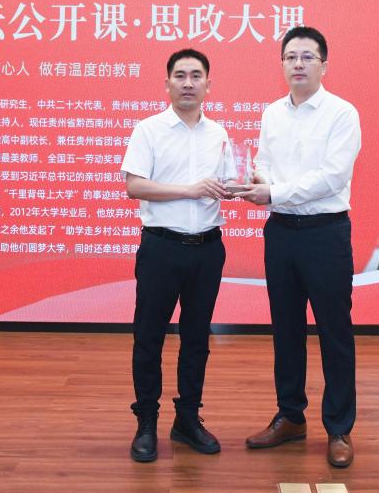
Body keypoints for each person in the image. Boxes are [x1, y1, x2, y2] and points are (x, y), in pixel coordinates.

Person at [235, 26, 361, 468]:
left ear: (324, 64)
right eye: (290, 57)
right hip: (281, 233)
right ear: (282, 64)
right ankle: (290, 416)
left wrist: (274, 191)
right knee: (285, 329)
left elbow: (332, 177)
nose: (298, 64)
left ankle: (339, 428)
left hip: (325, 233)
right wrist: (258, 181)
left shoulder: (342, 113)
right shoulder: (273, 113)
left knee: (334, 332)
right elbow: (264, 162)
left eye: (308, 57)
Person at [121, 48, 234, 463]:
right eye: (181, 76)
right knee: (149, 336)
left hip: (207, 249)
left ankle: (187, 418)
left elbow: (224, 184)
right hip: (161, 248)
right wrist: (190, 189)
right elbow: (135, 186)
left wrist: (243, 186)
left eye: (196, 76)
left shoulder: (219, 133)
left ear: (208, 85)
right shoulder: (149, 130)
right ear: (167, 83)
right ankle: (146, 421)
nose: (188, 83)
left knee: (197, 338)